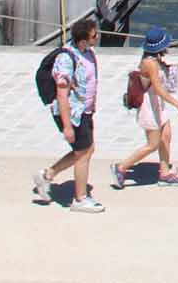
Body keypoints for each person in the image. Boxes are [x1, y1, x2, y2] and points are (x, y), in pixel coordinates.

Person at [34, 16, 102, 213]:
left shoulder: (88, 53)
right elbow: (62, 95)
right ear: (83, 40)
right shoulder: (66, 59)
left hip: (85, 111)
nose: (96, 37)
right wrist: (67, 126)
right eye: (93, 35)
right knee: (83, 153)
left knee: (87, 150)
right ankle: (79, 198)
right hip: (72, 113)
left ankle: (47, 175)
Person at [113, 26, 178, 189]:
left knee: (166, 137)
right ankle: (121, 167)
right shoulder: (149, 64)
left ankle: (164, 173)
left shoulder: (155, 61)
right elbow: (158, 89)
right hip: (149, 107)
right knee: (153, 144)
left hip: (157, 105)